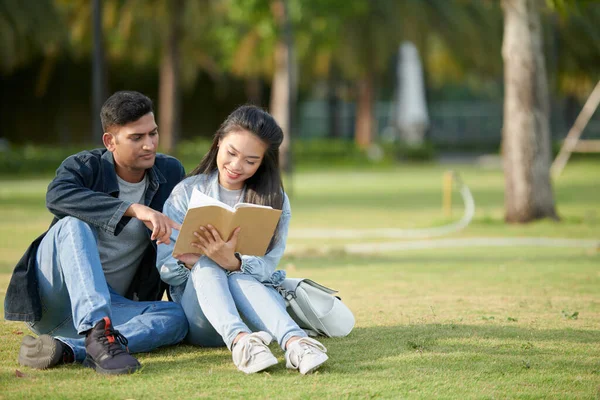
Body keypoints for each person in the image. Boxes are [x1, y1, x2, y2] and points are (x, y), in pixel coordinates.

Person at [4, 90, 189, 375]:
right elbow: (57, 196)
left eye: (153, 133)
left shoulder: (170, 171)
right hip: (54, 300)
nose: (149, 145)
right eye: (136, 138)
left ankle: (70, 348)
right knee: (73, 223)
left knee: (176, 316)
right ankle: (96, 329)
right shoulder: (82, 167)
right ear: (110, 141)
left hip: (116, 305)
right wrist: (135, 209)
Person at [156, 105, 329, 375]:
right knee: (207, 264)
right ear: (218, 143)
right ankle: (241, 343)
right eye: (231, 153)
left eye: (250, 161)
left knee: (238, 274)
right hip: (202, 318)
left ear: (263, 162)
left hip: (255, 312)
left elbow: (267, 266)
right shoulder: (186, 193)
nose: (236, 166)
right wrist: (192, 262)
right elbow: (165, 269)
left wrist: (234, 263)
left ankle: (296, 343)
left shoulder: (275, 200)